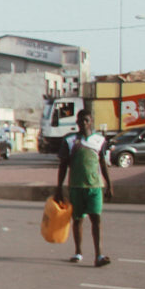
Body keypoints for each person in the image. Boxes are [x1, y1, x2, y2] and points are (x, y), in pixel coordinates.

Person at [56, 111, 112, 266]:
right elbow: (63, 165)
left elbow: (103, 164)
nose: (83, 123)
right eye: (81, 121)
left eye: (86, 120)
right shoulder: (70, 140)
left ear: (91, 121)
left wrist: (109, 185)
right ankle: (78, 251)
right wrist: (59, 187)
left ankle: (99, 255)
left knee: (96, 219)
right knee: (78, 220)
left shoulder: (99, 140)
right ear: (77, 122)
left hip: (95, 187)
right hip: (76, 186)